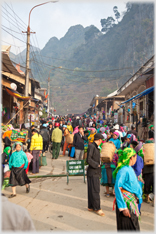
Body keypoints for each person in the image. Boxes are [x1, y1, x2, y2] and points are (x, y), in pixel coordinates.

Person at [113, 148, 142, 231]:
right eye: (135, 157)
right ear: (130, 158)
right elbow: (117, 187)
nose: (136, 159)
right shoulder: (123, 170)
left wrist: (138, 197)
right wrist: (123, 207)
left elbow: (134, 186)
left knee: (134, 227)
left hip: (132, 201)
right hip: (126, 203)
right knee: (127, 227)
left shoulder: (129, 169)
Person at [87, 133, 105, 216]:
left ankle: (91, 206)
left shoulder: (96, 147)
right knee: (95, 190)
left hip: (94, 171)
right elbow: (89, 159)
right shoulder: (92, 146)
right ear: (100, 140)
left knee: (92, 189)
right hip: (93, 171)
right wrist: (97, 165)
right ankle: (97, 208)